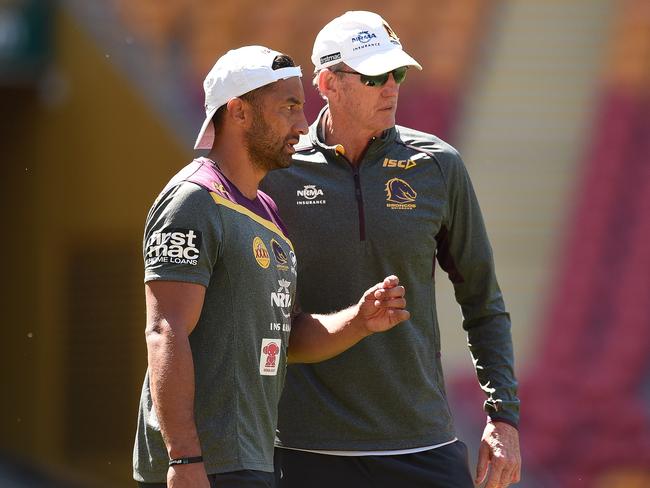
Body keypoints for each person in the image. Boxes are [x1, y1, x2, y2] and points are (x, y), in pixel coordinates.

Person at [261, 11, 521, 488]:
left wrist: (503, 417)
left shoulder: (438, 166)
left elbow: (483, 301)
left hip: (421, 445)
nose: (392, 88)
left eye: (397, 73)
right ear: (328, 83)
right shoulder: (273, 172)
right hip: (301, 449)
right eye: (376, 76)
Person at [132, 45, 410, 488]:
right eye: (289, 108)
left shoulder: (267, 211)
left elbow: (286, 335)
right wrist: (184, 459)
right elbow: (166, 329)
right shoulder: (193, 200)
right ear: (239, 111)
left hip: (252, 459)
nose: (303, 125)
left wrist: (358, 322)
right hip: (204, 466)